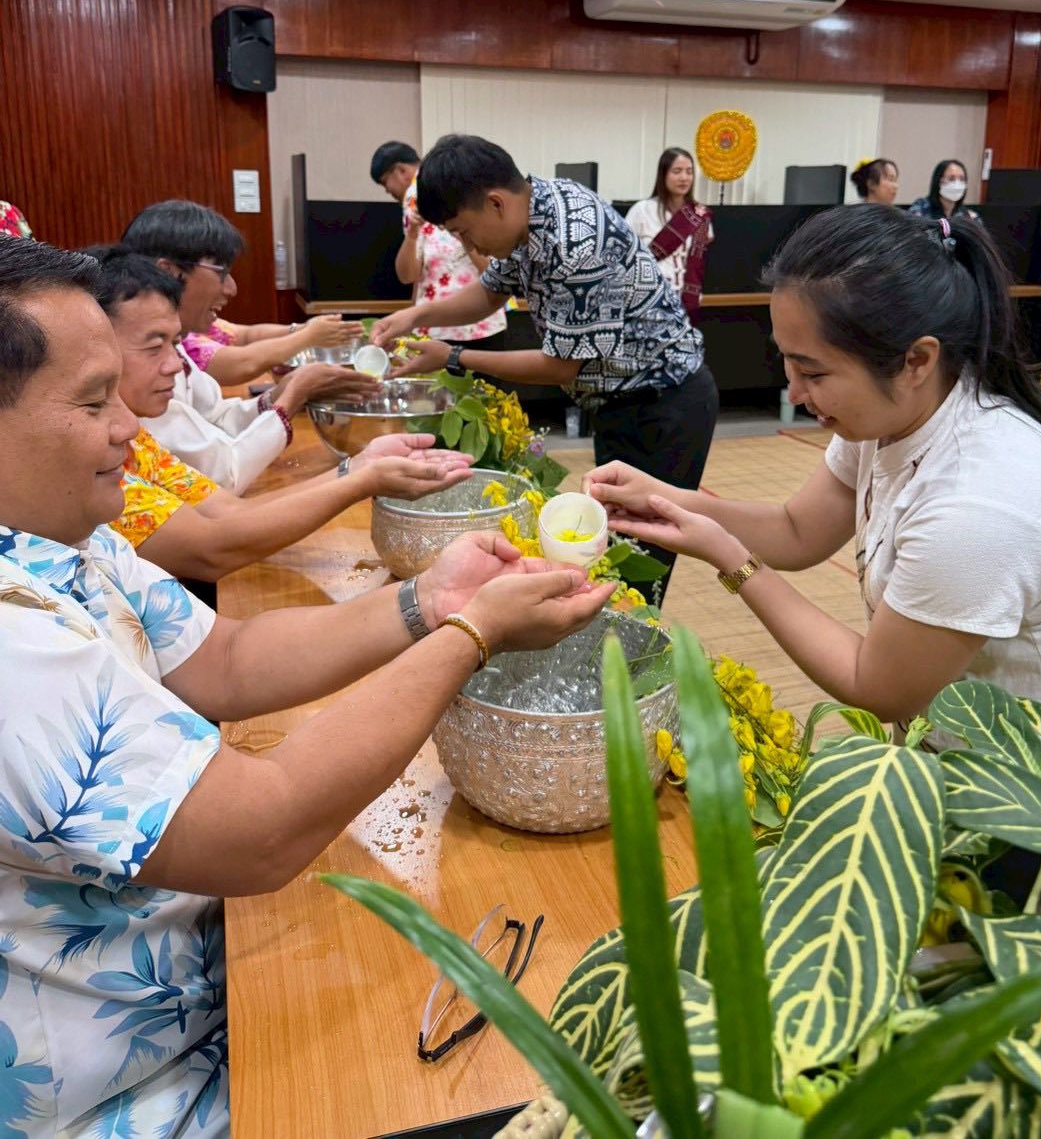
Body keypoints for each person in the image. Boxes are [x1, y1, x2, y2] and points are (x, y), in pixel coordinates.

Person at [0, 236, 612, 1138]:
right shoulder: (16, 649)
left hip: (210, 969)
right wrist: (471, 635)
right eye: (93, 401)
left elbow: (229, 659)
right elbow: (262, 825)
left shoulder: (70, 542)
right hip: (146, 1091)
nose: (130, 422)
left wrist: (426, 600)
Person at [586, 203, 1041, 760]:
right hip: (951, 755)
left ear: (916, 360)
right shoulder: (893, 412)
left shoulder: (981, 503)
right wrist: (661, 498)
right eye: (787, 362)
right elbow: (797, 531)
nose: (794, 392)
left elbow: (876, 686)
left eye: (812, 372)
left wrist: (728, 556)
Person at [373, 135, 720, 596]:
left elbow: (560, 367)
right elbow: (490, 293)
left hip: (665, 404)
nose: (464, 242)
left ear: (495, 203)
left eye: (462, 230)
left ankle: (633, 659)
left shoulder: (573, 238)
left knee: (638, 562)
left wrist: (452, 356)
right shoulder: (526, 218)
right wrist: (419, 315)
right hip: (619, 399)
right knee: (608, 546)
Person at [95, 248, 474, 580]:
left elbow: (229, 512)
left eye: (174, 345)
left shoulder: (134, 438)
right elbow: (213, 545)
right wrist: (360, 479)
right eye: (154, 346)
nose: (176, 366)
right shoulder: (90, 460)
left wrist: (357, 469)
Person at [121, 201, 374, 492]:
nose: (231, 288)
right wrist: (294, 394)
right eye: (220, 271)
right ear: (168, 272)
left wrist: (282, 392)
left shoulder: (175, 349)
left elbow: (216, 421)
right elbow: (220, 477)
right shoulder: (138, 370)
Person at [371, 139, 507, 349]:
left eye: (385, 182)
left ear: (400, 170)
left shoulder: (460, 197)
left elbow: (493, 270)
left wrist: (461, 234)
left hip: (480, 324)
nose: (387, 190)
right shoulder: (413, 203)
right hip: (437, 326)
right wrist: (412, 235)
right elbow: (409, 277)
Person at [625, 147, 714, 320]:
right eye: (677, 171)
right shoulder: (642, 210)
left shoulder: (700, 215)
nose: (684, 178)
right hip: (648, 303)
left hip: (686, 304)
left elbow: (698, 263)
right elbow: (624, 255)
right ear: (663, 174)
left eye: (689, 172)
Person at [181, 311, 365, 385]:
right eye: (219, 273)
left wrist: (302, 329)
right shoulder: (178, 337)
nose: (230, 288)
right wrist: (307, 337)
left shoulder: (198, 320)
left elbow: (246, 335)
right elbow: (242, 363)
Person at [908, 159, 980, 221]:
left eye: (962, 179)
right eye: (951, 178)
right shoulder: (921, 208)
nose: (957, 184)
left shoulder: (969, 217)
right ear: (939, 181)